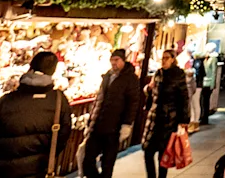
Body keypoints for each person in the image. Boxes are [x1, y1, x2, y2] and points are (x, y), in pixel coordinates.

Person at [0, 51, 72, 178]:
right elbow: (62, 137)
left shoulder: (5, 102)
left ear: (31, 67)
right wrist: (43, 159)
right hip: (36, 170)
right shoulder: (58, 101)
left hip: (1, 172)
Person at [82, 49, 140, 178]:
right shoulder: (108, 76)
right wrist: (91, 120)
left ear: (123, 61)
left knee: (107, 163)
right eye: (112, 60)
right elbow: (99, 99)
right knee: (88, 159)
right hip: (99, 124)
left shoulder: (130, 78)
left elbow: (133, 102)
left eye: (116, 60)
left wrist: (127, 124)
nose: (113, 63)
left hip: (115, 126)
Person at [142, 50, 189, 178]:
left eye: (167, 58)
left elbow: (184, 98)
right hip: (154, 118)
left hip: (168, 120)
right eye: (162, 58)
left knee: (163, 155)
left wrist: (184, 119)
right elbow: (151, 92)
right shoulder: (158, 73)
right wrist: (148, 89)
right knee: (148, 151)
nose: (164, 60)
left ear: (173, 59)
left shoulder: (178, 75)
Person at [191, 56, 205, 131]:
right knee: (193, 104)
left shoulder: (197, 62)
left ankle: (195, 122)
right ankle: (194, 122)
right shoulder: (197, 62)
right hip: (196, 84)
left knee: (195, 103)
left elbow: (197, 74)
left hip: (197, 85)